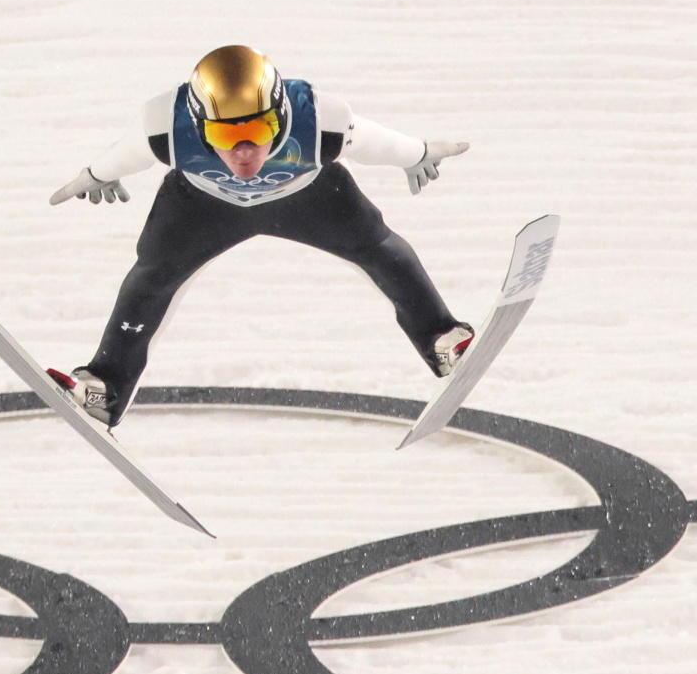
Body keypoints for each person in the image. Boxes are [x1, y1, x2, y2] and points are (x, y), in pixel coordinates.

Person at [44, 45, 474, 427]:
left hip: (307, 196)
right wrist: (95, 175)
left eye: (258, 130)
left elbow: (373, 143)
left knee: (381, 249)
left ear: (282, 115)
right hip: (202, 204)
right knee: (150, 279)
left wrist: (417, 153)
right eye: (224, 135)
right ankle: (105, 386)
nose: (243, 152)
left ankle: (442, 339)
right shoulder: (165, 126)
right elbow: (129, 153)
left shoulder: (320, 119)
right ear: (198, 124)